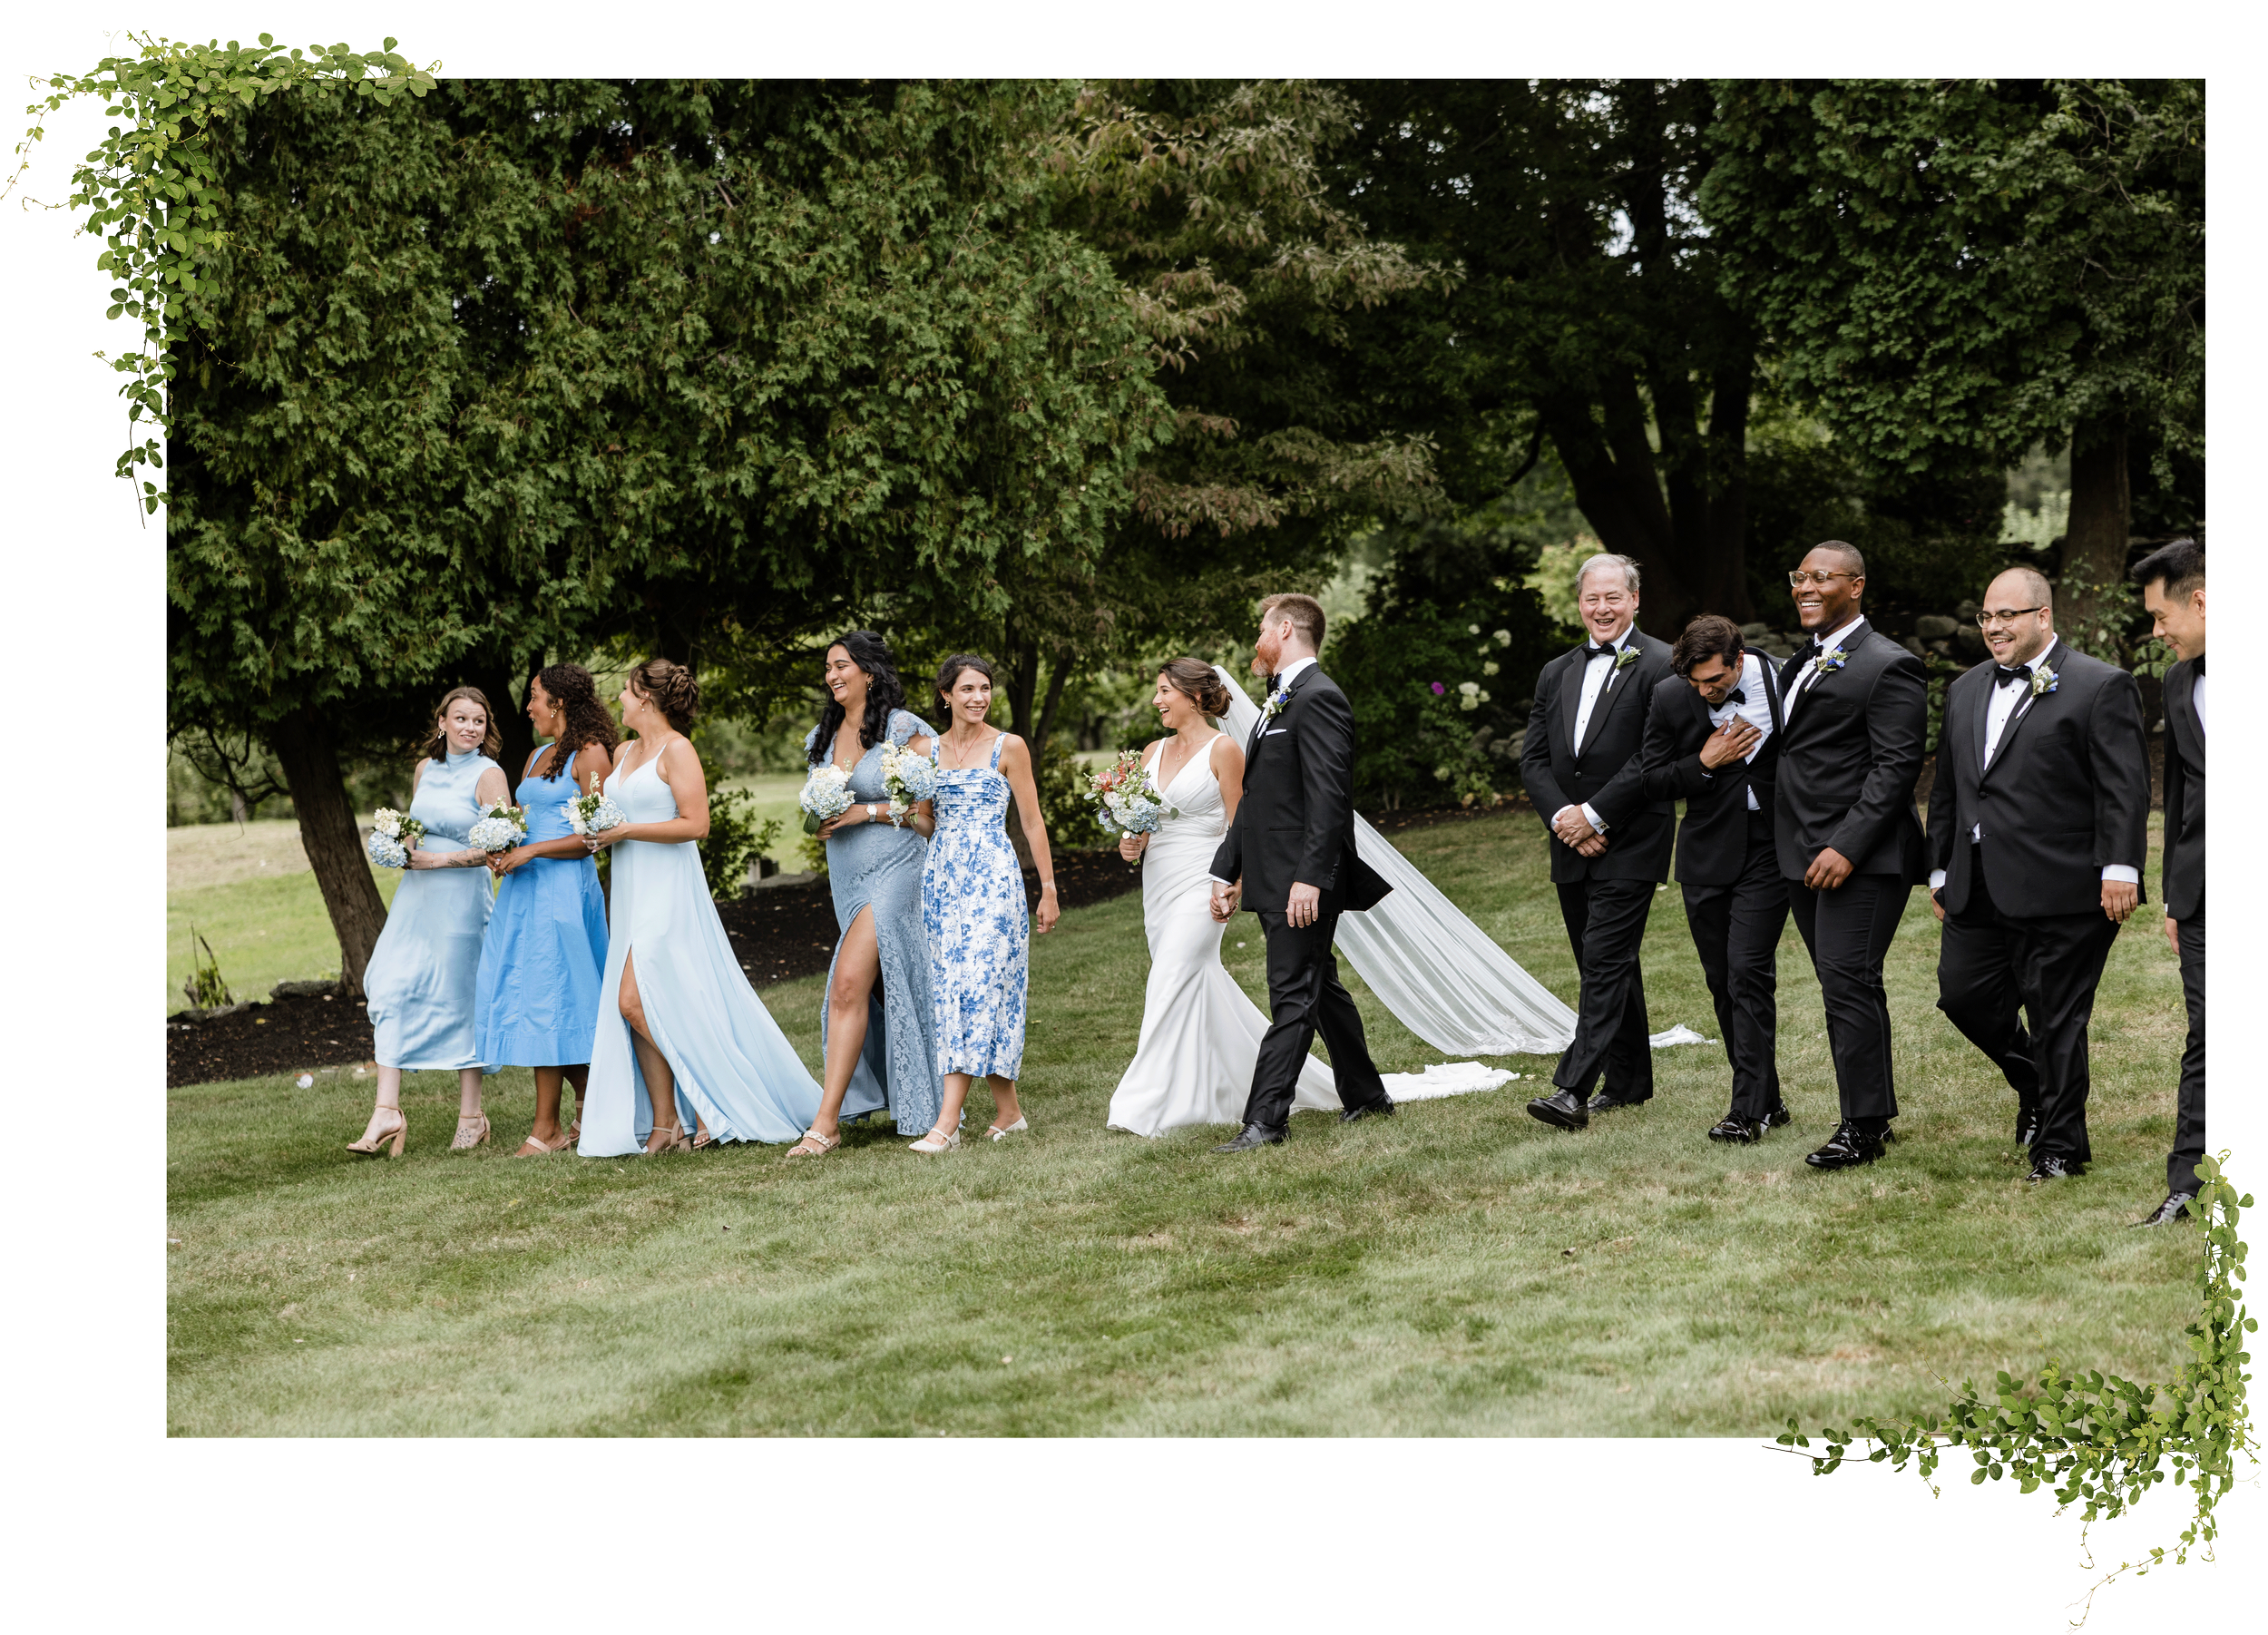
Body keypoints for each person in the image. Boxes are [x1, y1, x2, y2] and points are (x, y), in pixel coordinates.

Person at [1926, 567, 2149, 1184]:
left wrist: (2121, 867)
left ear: (2043, 617)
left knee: (2057, 1016)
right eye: (1986, 617)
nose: (1994, 627)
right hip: (1975, 884)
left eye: (2008, 616)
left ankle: (2059, 1149)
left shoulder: (2100, 685)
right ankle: (2035, 1085)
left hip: (2065, 886)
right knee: (1963, 996)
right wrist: (1940, 868)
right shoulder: (1968, 688)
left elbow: (2123, 787)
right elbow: (1948, 787)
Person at [575, 659, 821, 1155]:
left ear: (646, 697)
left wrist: (624, 830)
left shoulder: (678, 750)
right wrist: (600, 831)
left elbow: (695, 824)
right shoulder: (623, 752)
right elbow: (616, 814)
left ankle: (713, 1100)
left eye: (625, 690)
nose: (619, 698)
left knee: (633, 1001)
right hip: (629, 887)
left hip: (667, 889)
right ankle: (667, 1127)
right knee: (640, 1002)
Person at [1107, 660, 1341, 1137]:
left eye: (1164, 691)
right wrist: (1131, 842)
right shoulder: (1151, 751)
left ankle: (1141, 1103)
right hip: (1159, 883)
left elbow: (1240, 824)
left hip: (1202, 880)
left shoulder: (1225, 749)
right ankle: (1219, 1087)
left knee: (1170, 977)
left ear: (1193, 697)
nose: (1157, 700)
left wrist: (1230, 880)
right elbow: (1145, 826)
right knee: (1190, 982)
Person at [1207, 592, 1394, 1151]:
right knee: (1320, 986)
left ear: (1285, 630)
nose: (1256, 642)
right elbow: (1258, 800)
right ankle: (1366, 1095)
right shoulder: (1278, 701)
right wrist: (1226, 869)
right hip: (1272, 877)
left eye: (1262, 630)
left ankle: (1266, 1120)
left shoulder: (1320, 698)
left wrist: (1311, 877)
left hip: (1301, 882)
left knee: (1292, 993)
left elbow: (1329, 798)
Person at [1773, 542, 1928, 1171]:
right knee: (1848, 985)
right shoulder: (1798, 664)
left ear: (1856, 586)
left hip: (1861, 857)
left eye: (1821, 577)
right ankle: (1873, 1113)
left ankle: (1861, 1127)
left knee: (1847, 983)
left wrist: (1846, 846)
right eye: (1799, 577)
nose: (1806, 587)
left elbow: (1896, 769)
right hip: (1799, 854)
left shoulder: (1890, 665)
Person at [1518, 553, 1677, 1132]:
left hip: (1632, 836)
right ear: (1580, 603)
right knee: (1603, 961)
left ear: (1635, 600)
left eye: (1614, 597)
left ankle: (1571, 1089)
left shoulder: (1663, 663)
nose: (1602, 608)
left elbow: (1654, 755)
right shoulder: (1555, 671)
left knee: (1605, 960)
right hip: (1569, 838)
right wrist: (1565, 817)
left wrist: (1596, 815)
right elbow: (1534, 758)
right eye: (1592, 598)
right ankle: (1630, 1082)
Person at [784, 633, 942, 1158]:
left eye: (841, 666)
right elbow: (818, 807)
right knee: (870, 988)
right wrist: (819, 821)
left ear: (868, 673)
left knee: (848, 984)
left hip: (897, 871)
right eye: (827, 668)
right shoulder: (821, 737)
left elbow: (928, 819)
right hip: (846, 875)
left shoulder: (904, 730)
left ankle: (825, 1123)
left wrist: (867, 812)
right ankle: (894, 1095)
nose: (831, 676)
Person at [1641, 614, 1792, 1144]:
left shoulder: (1785, 679)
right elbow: (1652, 779)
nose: (1706, 692)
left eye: (1716, 682)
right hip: (1707, 854)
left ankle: (1745, 1111)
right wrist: (1703, 763)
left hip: (1773, 847)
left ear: (1739, 660)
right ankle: (1768, 1098)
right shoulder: (1668, 697)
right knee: (1722, 980)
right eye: (1697, 683)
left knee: (1748, 969)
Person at [347, 688, 511, 1158]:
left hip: (461, 899)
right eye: (460, 718)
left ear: (486, 727)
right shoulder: (425, 768)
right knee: (390, 984)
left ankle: (471, 1117)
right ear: (441, 721)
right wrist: (399, 847)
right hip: (416, 898)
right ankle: (387, 1110)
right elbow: (418, 829)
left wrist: (438, 862)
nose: (469, 728)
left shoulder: (489, 775)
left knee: (462, 999)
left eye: (478, 721)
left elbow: (500, 849)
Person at [911, 654, 1060, 1152]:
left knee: (978, 985)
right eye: (968, 689)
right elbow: (928, 822)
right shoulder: (924, 750)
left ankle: (946, 1122)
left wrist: (1049, 889)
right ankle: (1009, 1112)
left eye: (985, 688)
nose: (979, 698)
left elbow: (1033, 822)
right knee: (956, 989)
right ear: (946, 695)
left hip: (993, 880)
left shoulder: (1009, 746)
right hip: (941, 881)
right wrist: (910, 813)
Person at [474, 662, 617, 1156]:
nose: (529, 705)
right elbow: (525, 819)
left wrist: (532, 851)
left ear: (558, 700)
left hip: (563, 891)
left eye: (535, 696)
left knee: (558, 998)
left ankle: (548, 1127)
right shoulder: (536, 754)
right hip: (525, 891)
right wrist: (504, 845)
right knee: (537, 996)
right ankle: (591, 1106)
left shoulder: (591, 752)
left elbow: (595, 835)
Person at [2132, 538, 2205, 1225]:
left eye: (2161, 617)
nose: (2157, 633)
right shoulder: (2179, 682)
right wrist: (2176, 897)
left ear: (2201, 601)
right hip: (2206, 893)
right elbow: (2178, 797)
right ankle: (2189, 1182)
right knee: (2207, 1030)